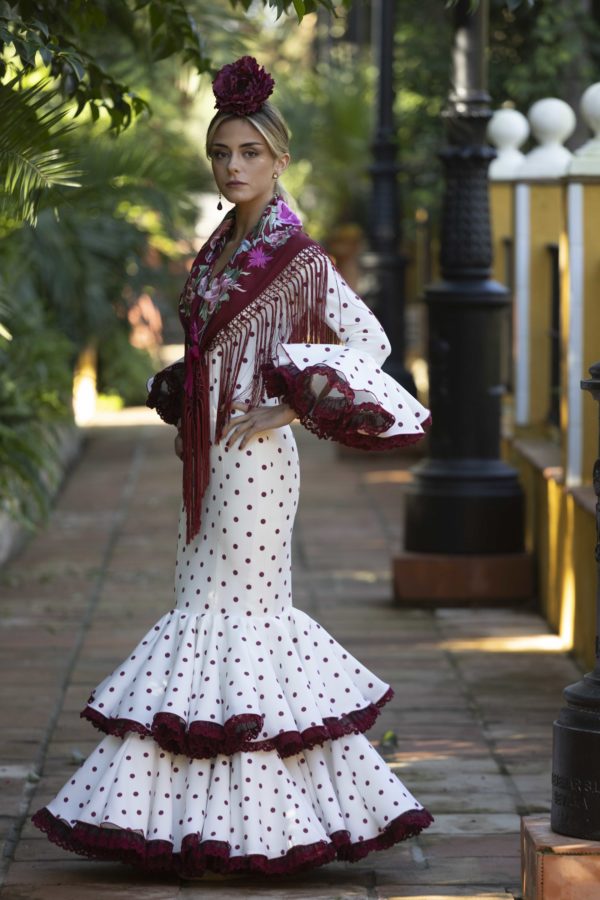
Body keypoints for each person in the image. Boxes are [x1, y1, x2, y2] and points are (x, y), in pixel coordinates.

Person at [32, 56, 433, 877]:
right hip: (207, 456)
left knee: (242, 621)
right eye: (222, 153)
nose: (233, 166)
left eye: (249, 151)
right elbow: (216, 346)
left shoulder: (300, 257)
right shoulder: (219, 250)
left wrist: (291, 406)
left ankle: (264, 823)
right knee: (200, 613)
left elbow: (371, 343)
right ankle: (197, 817)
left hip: (255, 462)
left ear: (278, 158)